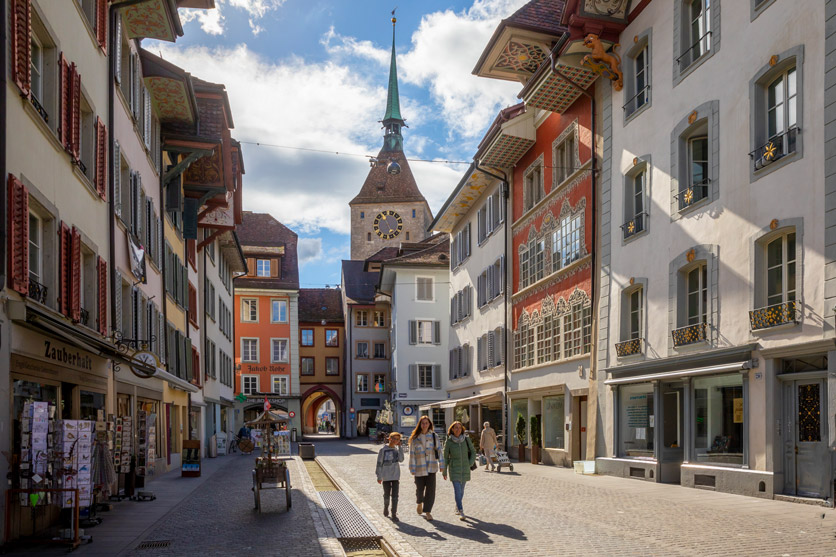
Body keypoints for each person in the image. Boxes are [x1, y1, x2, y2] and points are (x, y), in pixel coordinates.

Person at [408, 415, 444, 521]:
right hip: (419, 468)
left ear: (429, 424)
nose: (425, 425)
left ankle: (428, 511)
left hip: (431, 467)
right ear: (420, 424)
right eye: (423, 423)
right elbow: (412, 454)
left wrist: (442, 464)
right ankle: (419, 502)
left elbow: (439, 451)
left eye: (426, 423)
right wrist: (412, 467)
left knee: (431, 491)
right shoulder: (415, 438)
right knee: (419, 490)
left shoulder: (434, 436)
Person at [442, 421, 477, 521]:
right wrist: (444, 471)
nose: (458, 429)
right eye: (455, 428)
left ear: (462, 429)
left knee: (461, 491)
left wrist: (470, 463)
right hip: (454, 469)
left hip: (465, 468)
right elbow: (445, 457)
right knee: (457, 490)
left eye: (459, 428)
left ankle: (457, 506)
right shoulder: (448, 442)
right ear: (452, 429)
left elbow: (473, 452)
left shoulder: (466, 439)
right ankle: (461, 510)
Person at [375, 432, 404, 522]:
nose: (395, 441)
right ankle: (386, 507)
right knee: (386, 495)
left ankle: (394, 513)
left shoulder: (396, 449)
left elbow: (401, 459)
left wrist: (400, 448)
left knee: (395, 496)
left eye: (397, 439)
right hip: (386, 476)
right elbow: (379, 463)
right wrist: (379, 476)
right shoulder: (383, 450)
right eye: (394, 439)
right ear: (390, 439)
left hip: (395, 476)